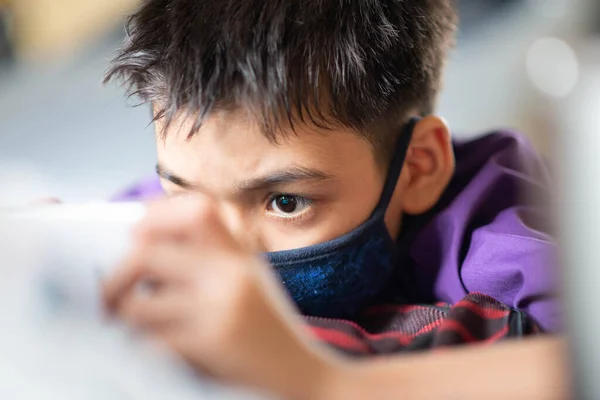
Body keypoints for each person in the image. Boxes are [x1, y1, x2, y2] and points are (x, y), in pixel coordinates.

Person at [102, 0, 568, 398]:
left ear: (419, 167)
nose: (225, 246)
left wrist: (322, 380)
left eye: (285, 202)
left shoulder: (501, 238)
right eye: (185, 193)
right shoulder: (177, 208)